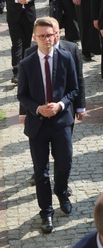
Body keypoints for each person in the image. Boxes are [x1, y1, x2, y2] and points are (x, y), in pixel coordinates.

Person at [17, 18, 78, 234]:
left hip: (61, 122)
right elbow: (21, 95)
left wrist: (60, 105)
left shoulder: (66, 58)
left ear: (55, 35)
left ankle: (61, 190)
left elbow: (73, 89)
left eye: (49, 35)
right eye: (41, 36)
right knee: (41, 172)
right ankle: (47, 212)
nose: (46, 39)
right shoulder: (26, 64)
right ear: (35, 38)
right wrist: (36, 109)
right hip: (38, 125)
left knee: (64, 164)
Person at [0, 0, 42, 85]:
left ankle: (27, 68)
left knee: (27, 43)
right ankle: (17, 71)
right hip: (14, 15)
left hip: (29, 14)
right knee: (16, 43)